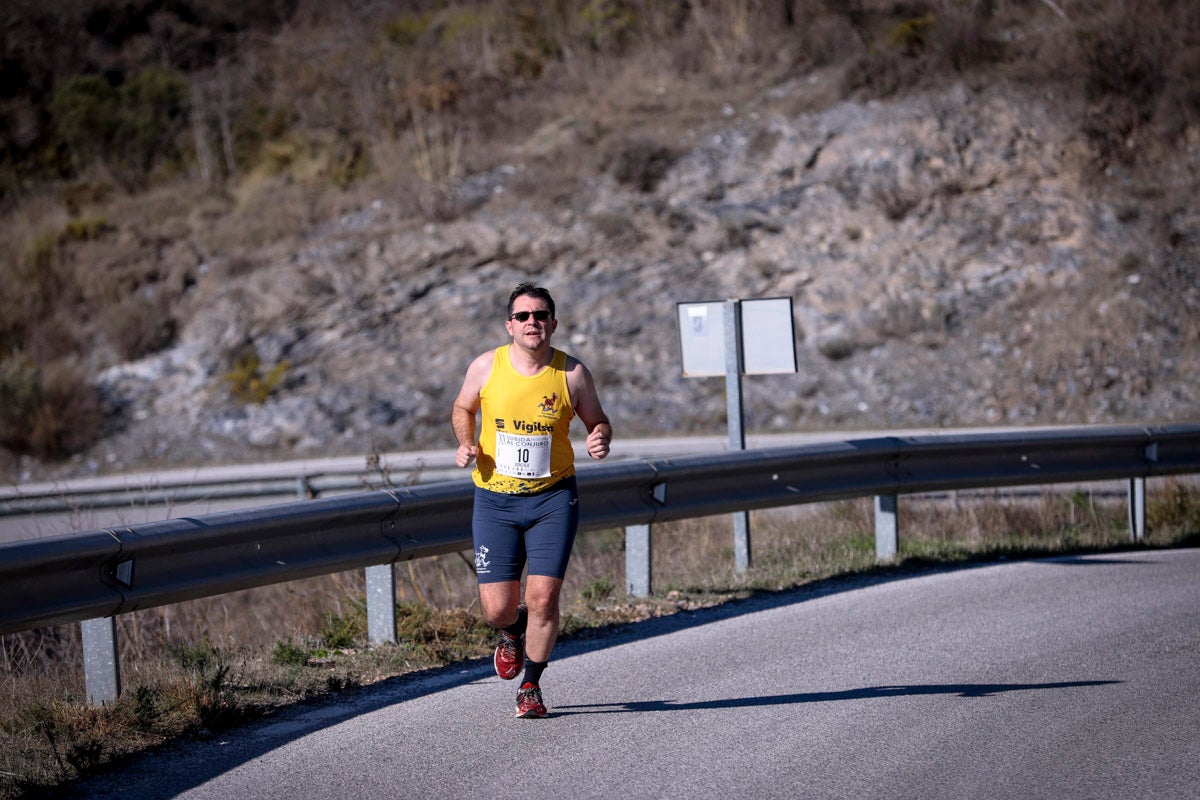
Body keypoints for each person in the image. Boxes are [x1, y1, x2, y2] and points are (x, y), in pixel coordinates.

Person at [451, 282, 612, 718]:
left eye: (540, 315)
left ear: (553, 324)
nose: (532, 322)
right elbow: (462, 409)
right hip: (494, 501)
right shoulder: (486, 366)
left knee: (543, 598)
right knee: (497, 609)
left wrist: (600, 438)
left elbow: (598, 421)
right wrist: (467, 443)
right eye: (523, 316)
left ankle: (531, 686)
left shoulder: (572, 374)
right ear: (509, 325)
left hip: (552, 499)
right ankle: (510, 632)